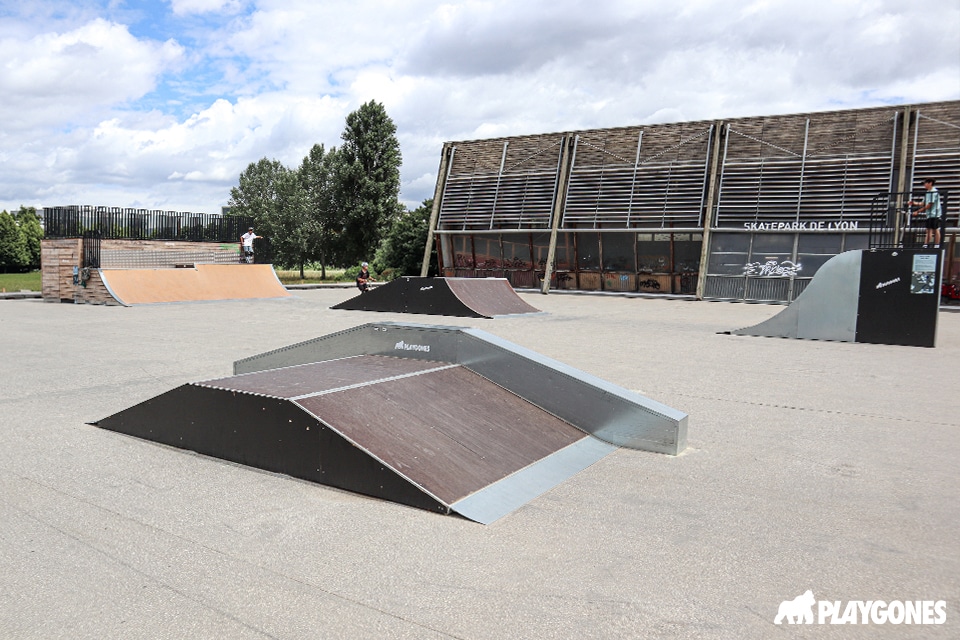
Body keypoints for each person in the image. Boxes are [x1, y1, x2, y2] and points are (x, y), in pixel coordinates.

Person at [908, 178, 942, 248]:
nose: (924, 185)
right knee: (929, 229)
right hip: (929, 214)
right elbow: (923, 203)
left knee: (935, 229)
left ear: (930, 183)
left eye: (925, 183)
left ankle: (935, 245)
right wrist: (914, 203)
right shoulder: (928, 192)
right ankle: (927, 244)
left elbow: (929, 205)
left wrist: (918, 211)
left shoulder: (934, 192)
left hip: (934, 214)